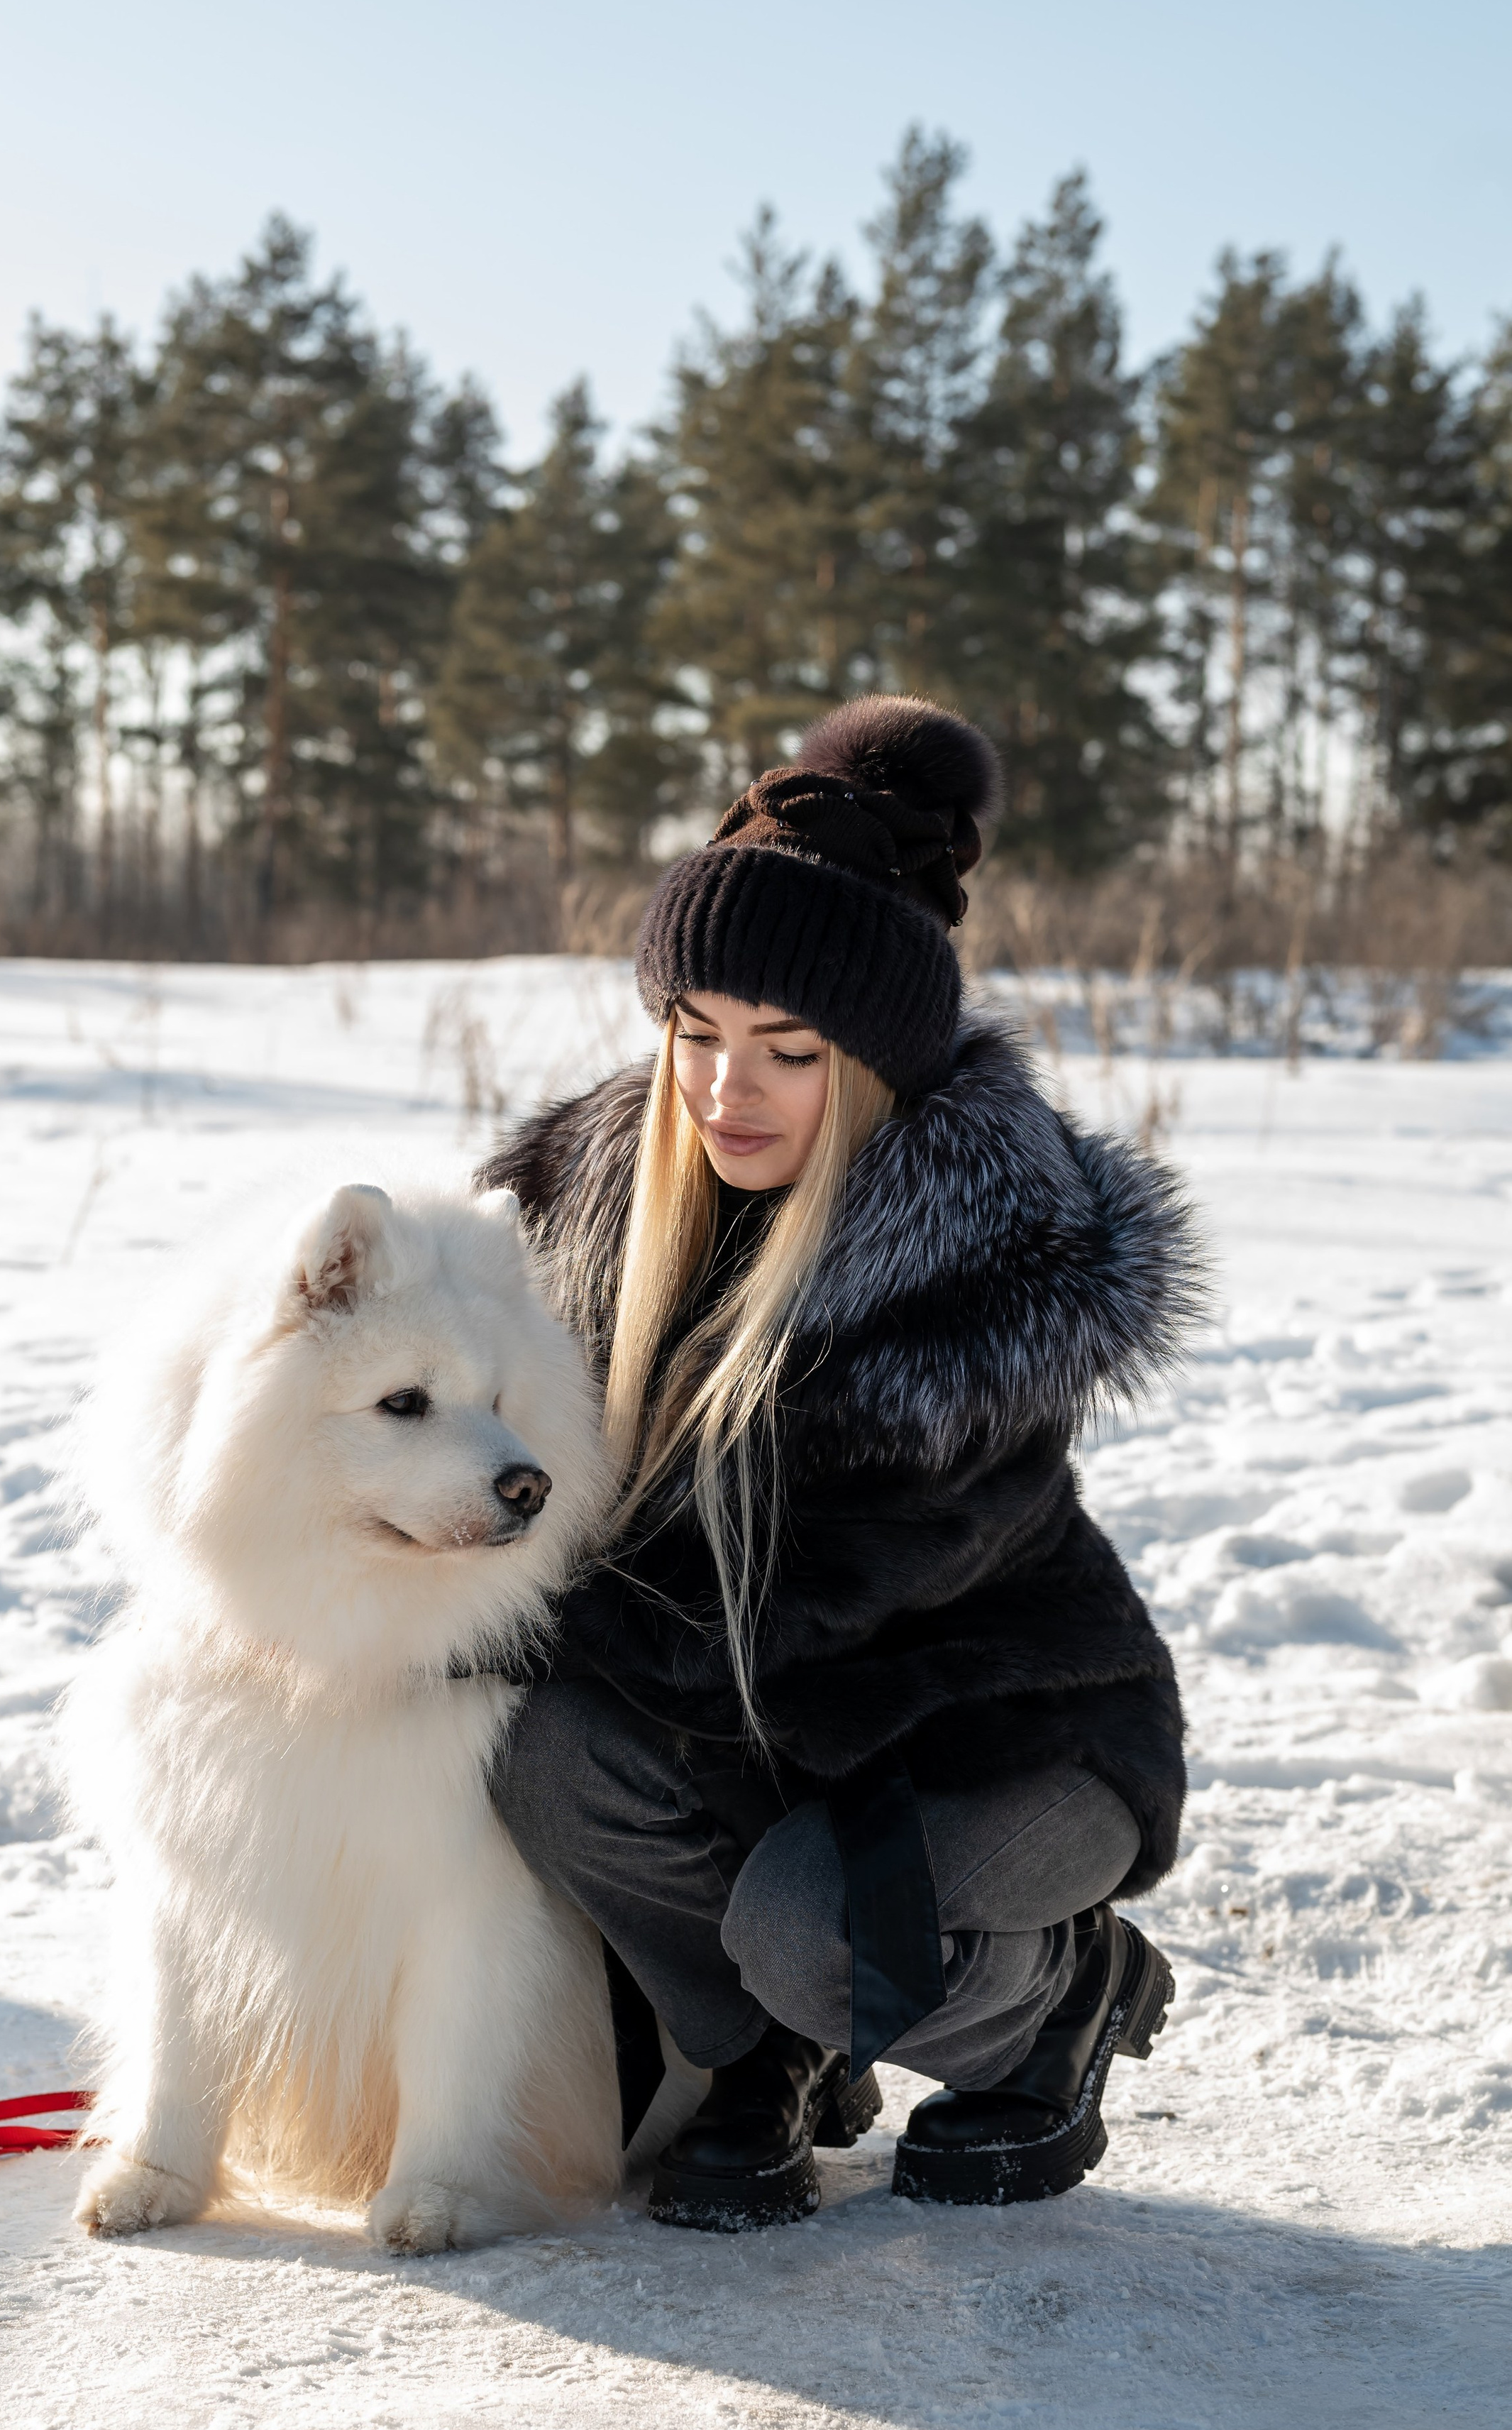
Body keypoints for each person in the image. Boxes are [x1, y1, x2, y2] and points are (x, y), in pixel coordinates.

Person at [479, 696, 1203, 2231]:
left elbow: (805, 1607)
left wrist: (502, 1606)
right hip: (764, 1731)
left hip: (992, 1736)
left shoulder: (972, 1272)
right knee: (542, 1757)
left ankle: (1053, 2006)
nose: (723, 1092)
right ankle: (774, 2059)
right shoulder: (601, 1201)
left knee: (811, 1922)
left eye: (786, 1051)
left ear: (870, 1060)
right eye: (695, 1033)